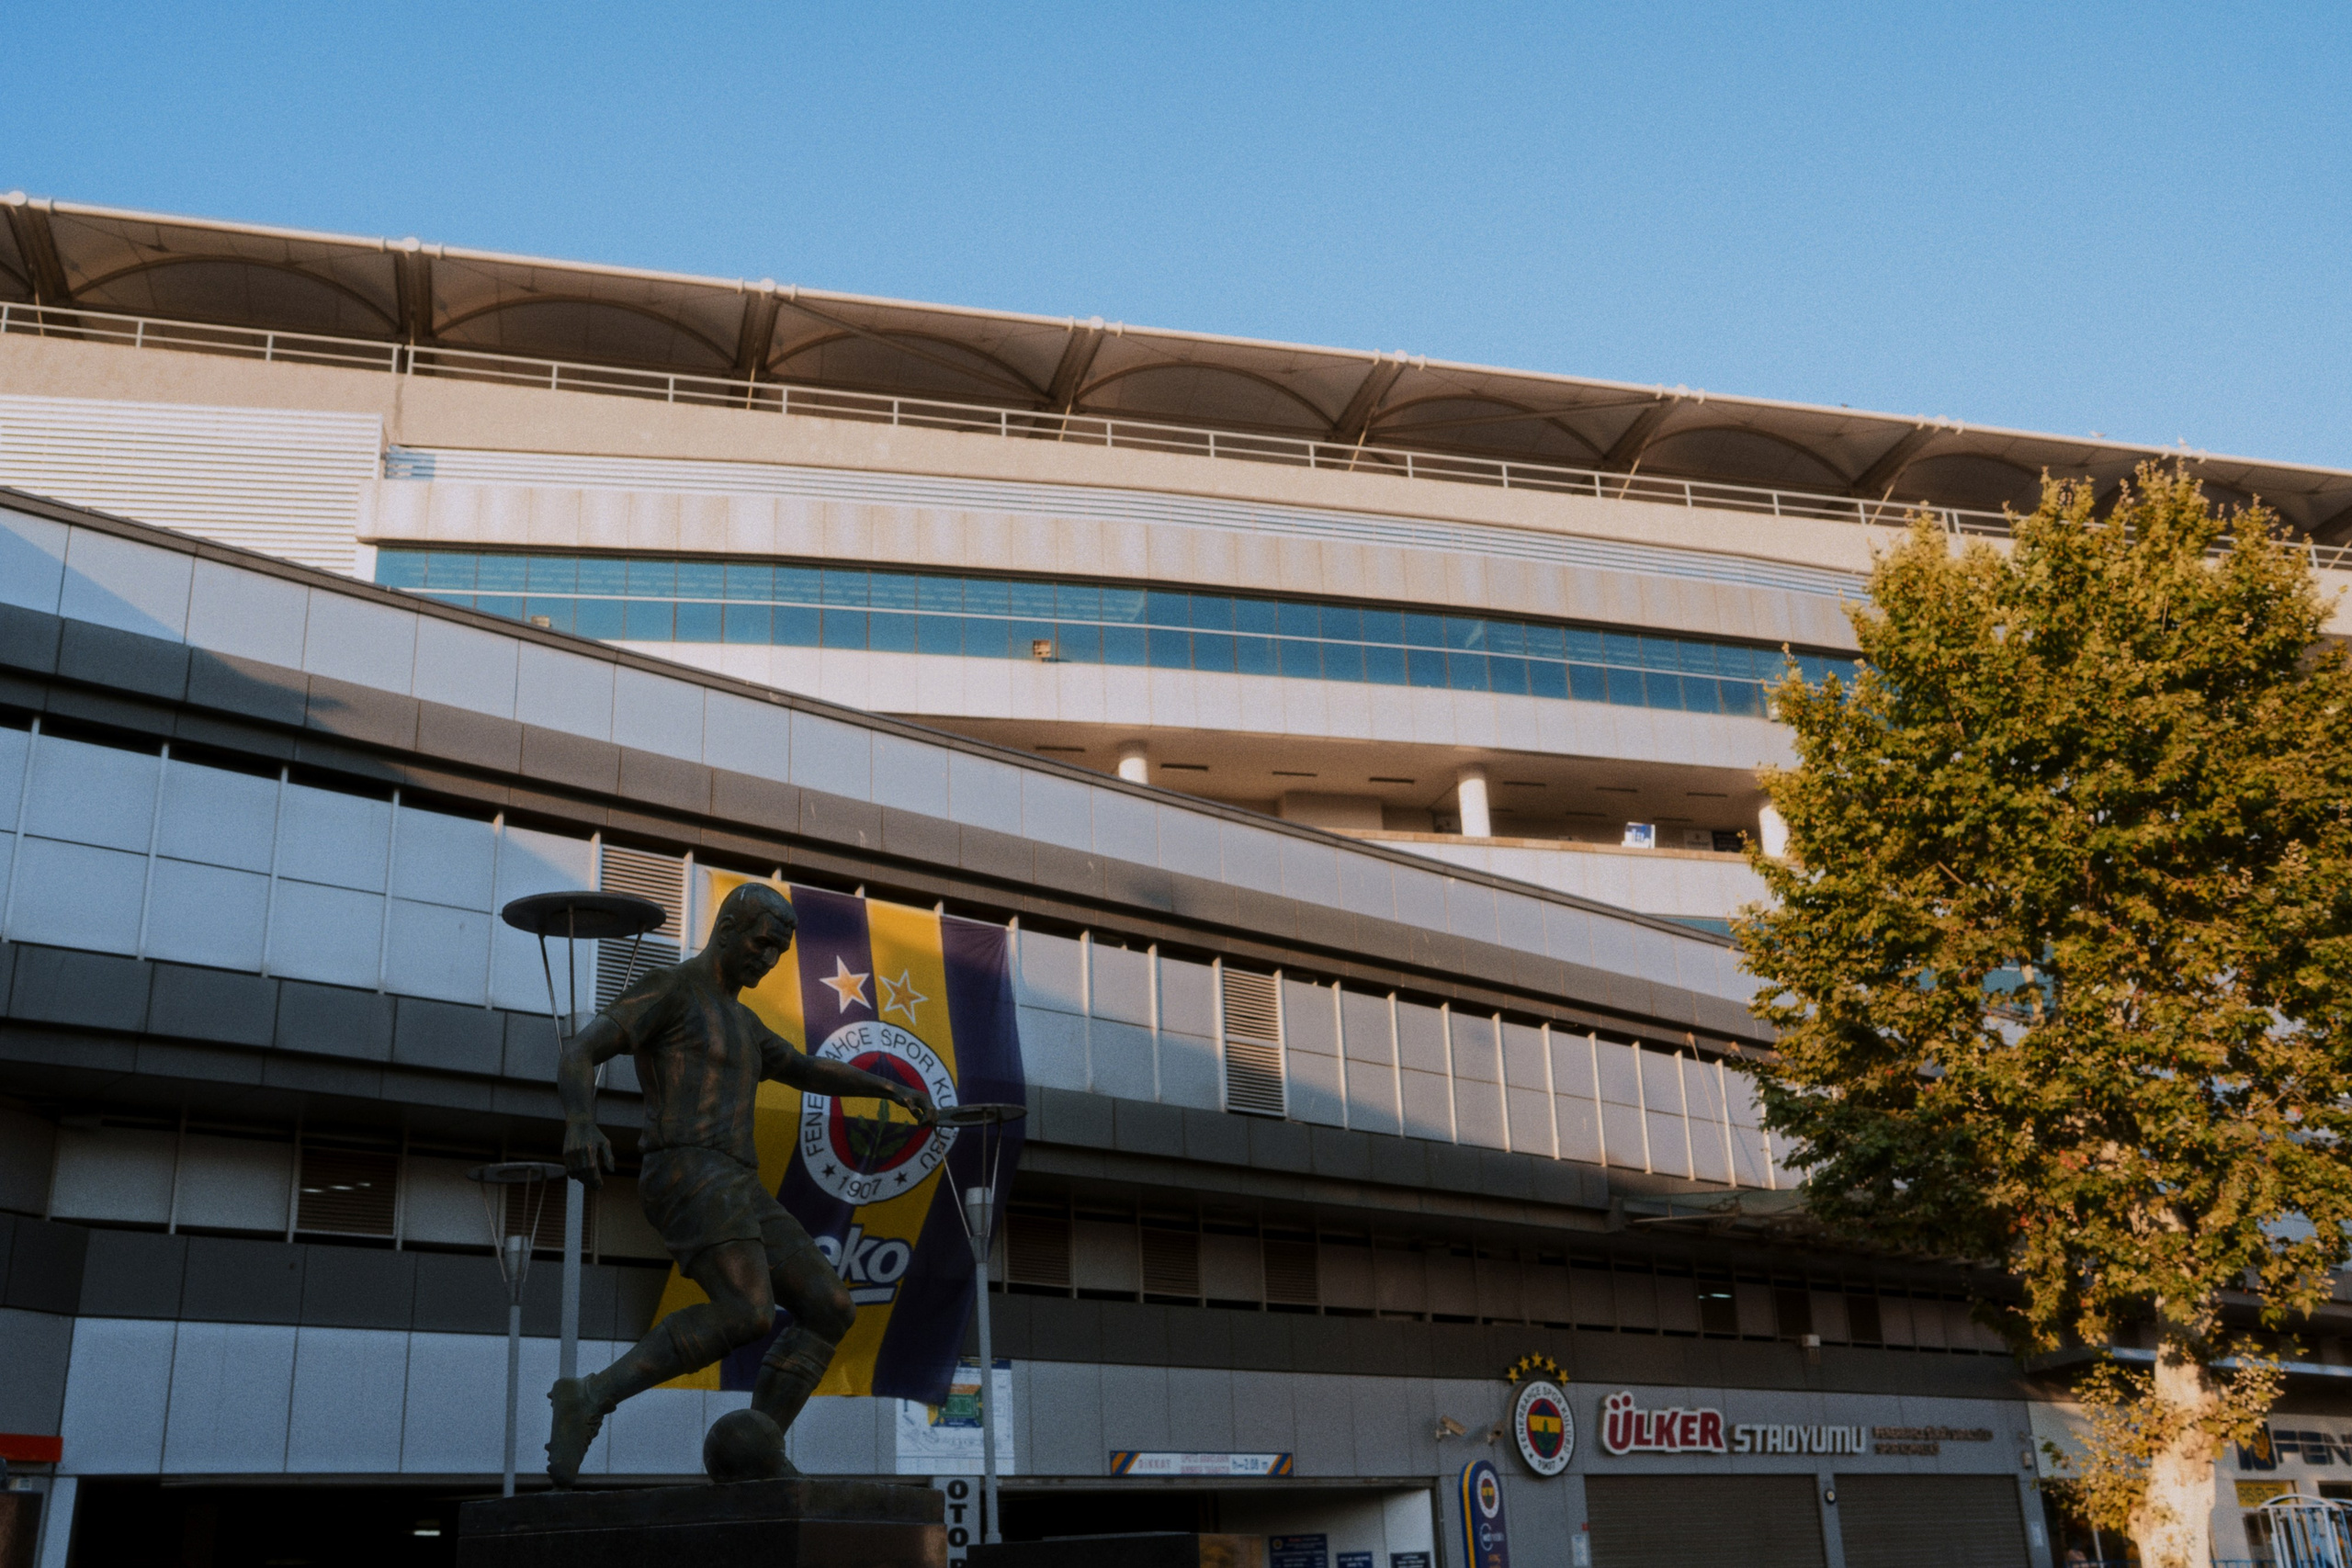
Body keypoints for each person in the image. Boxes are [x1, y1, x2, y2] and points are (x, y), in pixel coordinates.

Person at [543, 881, 933, 1485]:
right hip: (686, 1167)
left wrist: (890, 1087)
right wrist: (578, 1120)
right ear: (727, 925)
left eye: (778, 950)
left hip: (738, 1182)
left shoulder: (744, 1023)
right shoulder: (671, 987)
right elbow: (579, 1052)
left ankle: (756, 1445)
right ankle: (590, 1395)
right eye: (761, 943)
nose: (767, 959)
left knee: (830, 1306)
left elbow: (806, 1068)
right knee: (748, 1310)